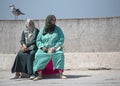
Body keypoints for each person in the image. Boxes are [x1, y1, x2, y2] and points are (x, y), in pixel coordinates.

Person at [33, 15, 67, 81]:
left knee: (60, 54)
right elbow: (38, 40)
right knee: (38, 55)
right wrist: (42, 47)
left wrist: (55, 47)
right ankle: (40, 74)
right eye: (53, 20)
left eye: (55, 20)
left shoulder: (58, 29)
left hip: (55, 49)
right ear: (49, 20)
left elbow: (61, 39)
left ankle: (60, 74)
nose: (54, 21)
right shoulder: (43, 30)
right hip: (44, 49)